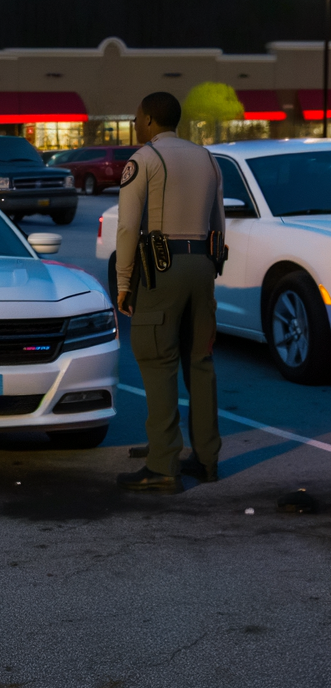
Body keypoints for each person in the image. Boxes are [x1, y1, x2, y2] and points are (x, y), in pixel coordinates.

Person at [114, 92, 224, 493]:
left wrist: (124, 283)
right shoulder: (208, 159)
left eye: (137, 117)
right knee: (201, 362)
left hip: (162, 267)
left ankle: (163, 464)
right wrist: (212, 266)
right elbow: (218, 221)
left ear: (147, 120)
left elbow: (127, 228)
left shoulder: (145, 159)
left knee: (157, 359)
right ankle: (207, 459)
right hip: (202, 265)